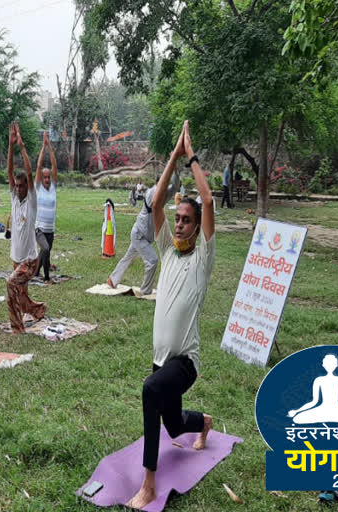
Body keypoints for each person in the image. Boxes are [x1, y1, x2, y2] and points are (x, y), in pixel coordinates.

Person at [126, 121, 215, 509]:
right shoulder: (166, 250)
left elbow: (208, 202)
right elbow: (156, 203)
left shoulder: (201, 258)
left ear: (197, 229)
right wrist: (172, 158)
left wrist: (190, 154)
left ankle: (149, 484)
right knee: (175, 425)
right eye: (177, 219)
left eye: (186, 220)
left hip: (185, 361)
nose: (178, 223)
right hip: (160, 359)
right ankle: (205, 422)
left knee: (149, 391)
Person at [106, 169, 180, 296]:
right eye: (164, 182)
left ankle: (112, 280)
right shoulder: (152, 192)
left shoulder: (164, 192)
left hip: (144, 236)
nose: (166, 185)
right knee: (152, 260)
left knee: (128, 257)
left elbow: (176, 187)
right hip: (139, 235)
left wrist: (176, 172)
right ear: (158, 183)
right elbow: (156, 201)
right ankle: (146, 291)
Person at [5, 121, 46, 333]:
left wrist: (21, 146)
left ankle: (17, 327)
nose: (19, 188)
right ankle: (38, 310)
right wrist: (11, 145)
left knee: (11, 284)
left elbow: (29, 174)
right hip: (16, 258)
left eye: (22, 186)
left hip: (29, 261)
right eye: (17, 185)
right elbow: (10, 170)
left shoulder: (31, 200)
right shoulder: (14, 198)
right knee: (21, 295)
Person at [34, 132, 58, 282]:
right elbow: (38, 166)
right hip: (39, 228)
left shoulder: (54, 187)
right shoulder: (38, 188)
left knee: (47, 254)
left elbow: (54, 164)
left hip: (51, 229)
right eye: (45, 177)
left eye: (49, 177)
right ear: (41, 178)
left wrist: (50, 146)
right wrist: (43, 147)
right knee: (45, 248)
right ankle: (42, 274)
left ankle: (39, 274)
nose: (47, 179)